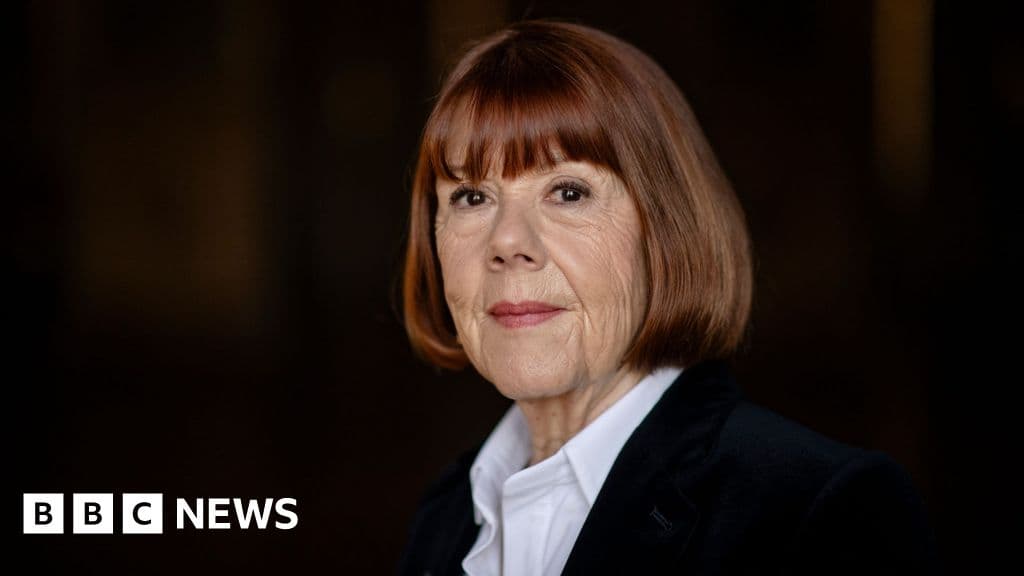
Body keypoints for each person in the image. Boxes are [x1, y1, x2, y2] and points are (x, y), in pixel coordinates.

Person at [396, 20, 937, 576]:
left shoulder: (819, 512)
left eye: (568, 191)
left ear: (665, 229)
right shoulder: (446, 518)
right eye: (471, 196)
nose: (508, 242)